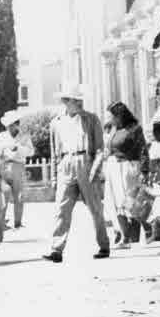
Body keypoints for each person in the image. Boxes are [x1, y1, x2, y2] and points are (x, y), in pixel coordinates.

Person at [43, 83, 110, 263]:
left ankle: (103, 246)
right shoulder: (56, 123)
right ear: (67, 101)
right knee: (61, 209)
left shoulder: (91, 119)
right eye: (75, 100)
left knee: (95, 207)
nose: (79, 103)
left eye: (80, 100)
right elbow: (53, 152)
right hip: (65, 163)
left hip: (85, 162)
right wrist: (54, 177)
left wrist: (96, 169)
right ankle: (56, 249)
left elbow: (99, 148)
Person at [101, 101, 152, 247]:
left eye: (110, 115)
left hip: (129, 167)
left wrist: (144, 171)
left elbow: (143, 150)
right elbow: (109, 148)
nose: (108, 118)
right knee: (116, 204)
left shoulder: (134, 129)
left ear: (119, 115)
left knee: (130, 203)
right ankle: (125, 238)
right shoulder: (113, 129)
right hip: (113, 168)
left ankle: (147, 226)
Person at [0, 109, 35, 229]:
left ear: (17, 124)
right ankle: (0, 223)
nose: (9, 128)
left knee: (20, 196)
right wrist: (2, 151)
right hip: (4, 166)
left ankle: (18, 223)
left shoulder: (24, 137)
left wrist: (18, 148)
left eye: (11, 125)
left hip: (18, 167)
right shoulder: (1, 136)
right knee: (4, 194)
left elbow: (31, 152)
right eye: (7, 125)